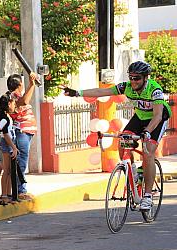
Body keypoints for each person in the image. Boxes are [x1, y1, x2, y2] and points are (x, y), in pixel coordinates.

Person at [63, 61, 171, 211]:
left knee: (148, 152)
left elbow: (158, 115)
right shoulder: (126, 87)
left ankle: (147, 196)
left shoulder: (154, 90)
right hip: (140, 117)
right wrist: (77, 93)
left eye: (137, 78)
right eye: (131, 77)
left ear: (146, 78)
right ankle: (134, 172)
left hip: (157, 119)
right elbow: (101, 92)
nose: (133, 81)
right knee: (123, 142)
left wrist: (147, 131)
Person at [7, 72, 39, 198]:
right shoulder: (13, 96)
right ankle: (20, 190)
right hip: (22, 132)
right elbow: (25, 101)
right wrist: (32, 84)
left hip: (26, 133)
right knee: (21, 162)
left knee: (21, 162)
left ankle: (20, 189)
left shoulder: (17, 95)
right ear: (19, 84)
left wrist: (32, 85)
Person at [0, 92, 19, 202]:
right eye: (13, 103)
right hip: (7, 143)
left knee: (9, 170)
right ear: (9, 104)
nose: (15, 105)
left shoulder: (6, 116)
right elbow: (5, 133)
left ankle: (8, 193)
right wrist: (13, 147)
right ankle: (4, 194)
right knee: (6, 170)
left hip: (9, 143)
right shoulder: (5, 118)